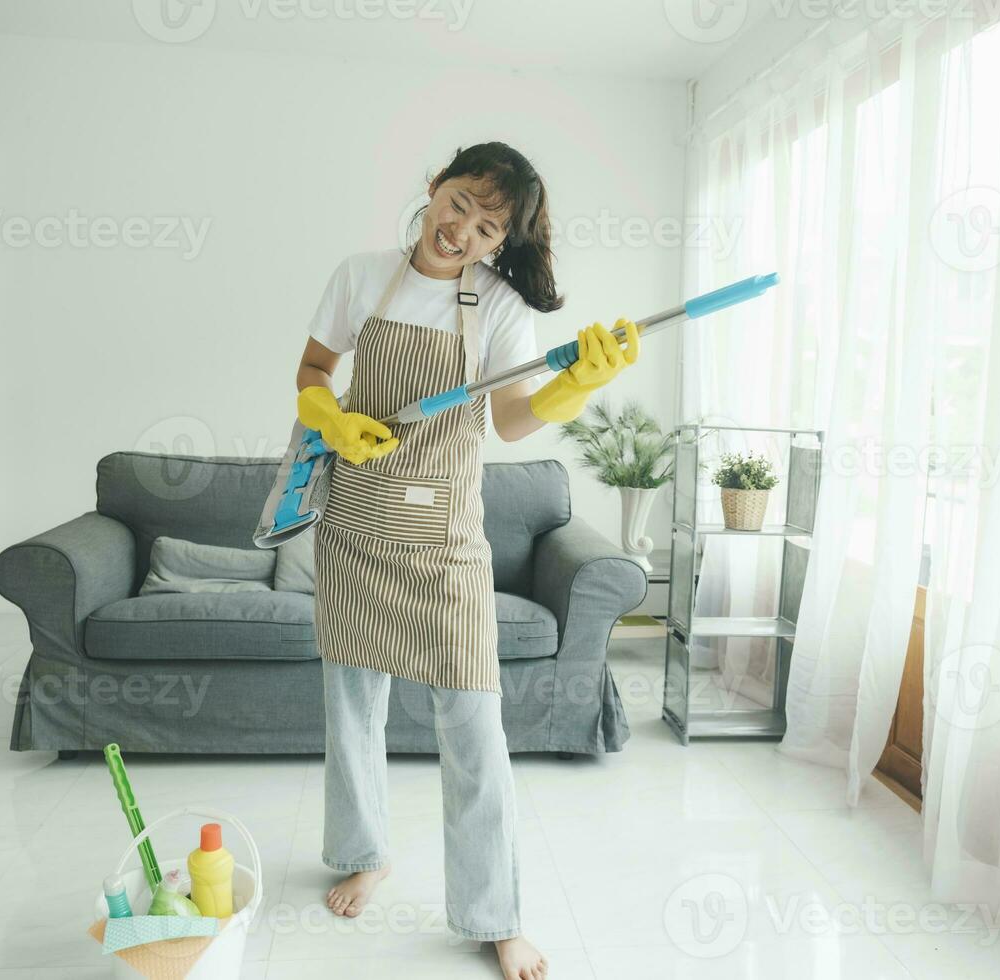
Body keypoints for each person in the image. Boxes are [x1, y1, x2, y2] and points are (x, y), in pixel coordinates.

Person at [294, 141, 639, 980]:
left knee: (474, 728)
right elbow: (313, 369)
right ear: (432, 188)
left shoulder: (499, 308)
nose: (462, 232)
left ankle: (495, 913)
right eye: (458, 206)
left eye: (487, 228)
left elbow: (514, 423)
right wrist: (332, 421)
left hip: (446, 538)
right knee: (351, 708)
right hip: (353, 524)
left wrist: (577, 385)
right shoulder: (359, 275)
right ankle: (362, 852)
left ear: (499, 243)